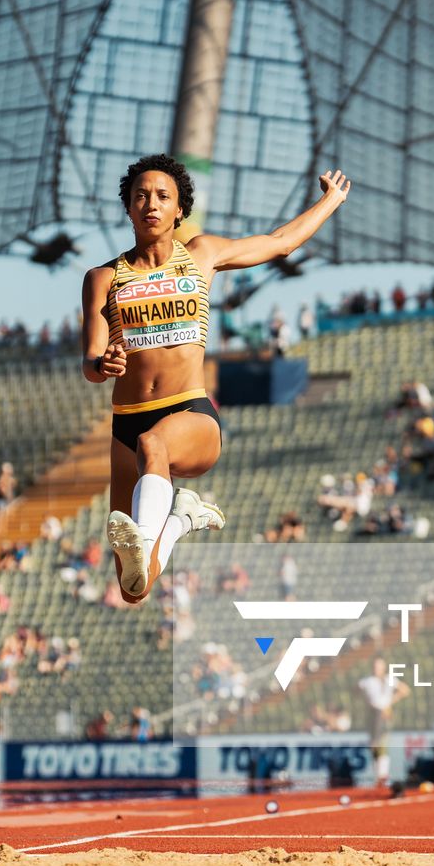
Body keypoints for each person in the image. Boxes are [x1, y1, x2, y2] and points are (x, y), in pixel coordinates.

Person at [85, 154, 351, 600]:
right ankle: (182, 520)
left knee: (155, 444)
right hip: (126, 420)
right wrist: (102, 364)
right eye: (140, 196)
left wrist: (330, 202)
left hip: (189, 412)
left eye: (162, 197)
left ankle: (152, 534)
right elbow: (91, 361)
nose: (151, 204)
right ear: (128, 208)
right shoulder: (103, 277)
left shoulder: (202, 254)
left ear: (179, 211)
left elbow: (279, 242)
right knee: (134, 586)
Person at [356, 658, 409, 789]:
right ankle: (379, 776)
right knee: (374, 744)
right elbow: (356, 692)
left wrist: (390, 702)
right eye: (374, 666)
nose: (376, 669)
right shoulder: (367, 681)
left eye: (379, 666)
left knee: (382, 743)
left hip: (384, 714)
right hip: (372, 714)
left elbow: (405, 690)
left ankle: (383, 776)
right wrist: (367, 702)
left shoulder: (390, 679)